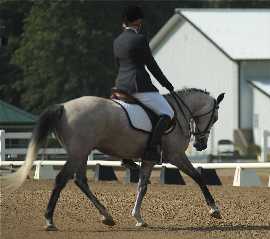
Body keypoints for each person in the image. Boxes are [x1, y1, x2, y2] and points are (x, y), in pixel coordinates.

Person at [113, 5, 174, 163]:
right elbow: (151, 65)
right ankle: (151, 150)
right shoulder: (139, 39)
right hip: (139, 86)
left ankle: (126, 153)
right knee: (167, 113)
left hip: (120, 87)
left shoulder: (117, 40)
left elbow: (118, 65)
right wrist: (167, 84)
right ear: (139, 21)